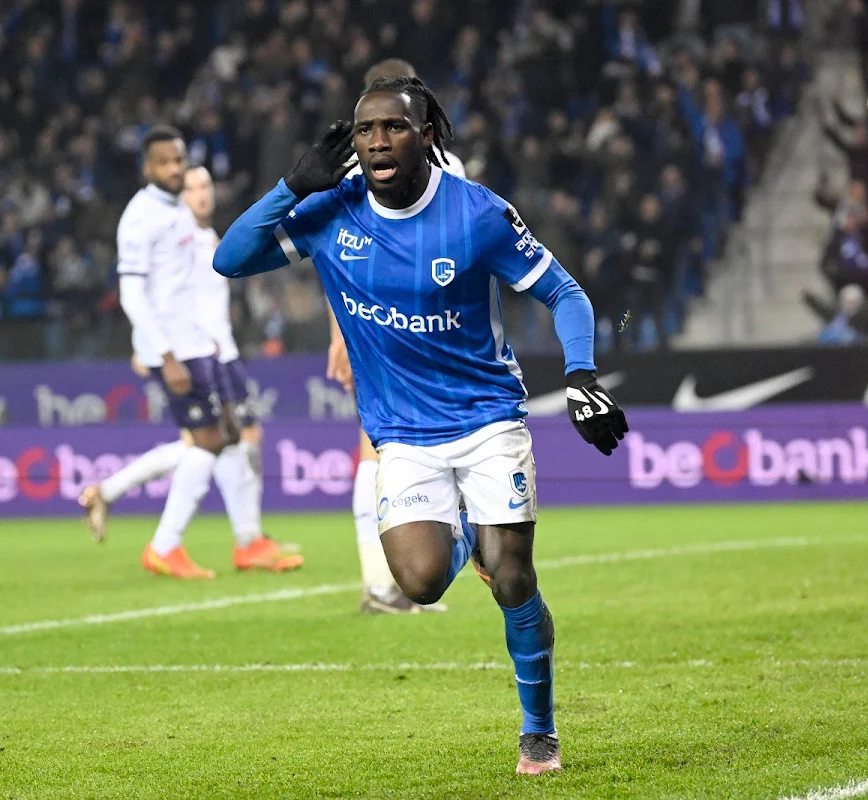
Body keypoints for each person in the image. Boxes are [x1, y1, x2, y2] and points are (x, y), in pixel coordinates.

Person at [214, 76, 628, 774]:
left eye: (394, 127)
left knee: (513, 579)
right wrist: (290, 185)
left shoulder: (477, 215)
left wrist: (582, 375)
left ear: (426, 135)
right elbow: (230, 258)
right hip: (402, 434)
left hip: (487, 417)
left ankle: (539, 731)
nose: (378, 140)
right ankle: (469, 535)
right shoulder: (332, 211)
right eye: (366, 128)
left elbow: (564, 291)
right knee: (420, 583)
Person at [113, 138, 300, 579]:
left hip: (200, 347)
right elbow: (133, 292)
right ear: (148, 166)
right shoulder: (140, 218)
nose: (177, 169)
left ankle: (246, 540)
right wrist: (161, 353)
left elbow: (187, 289)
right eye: (167, 162)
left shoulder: (180, 214)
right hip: (176, 350)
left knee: (229, 438)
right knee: (209, 442)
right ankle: (164, 544)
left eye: (180, 159)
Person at [327, 58, 466, 614]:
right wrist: (342, 333)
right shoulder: (441, 167)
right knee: (382, 449)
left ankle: (398, 580)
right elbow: (340, 259)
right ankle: (386, 584)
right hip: (413, 332)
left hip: (417, 329)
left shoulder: (444, 168)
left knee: (397, 452)